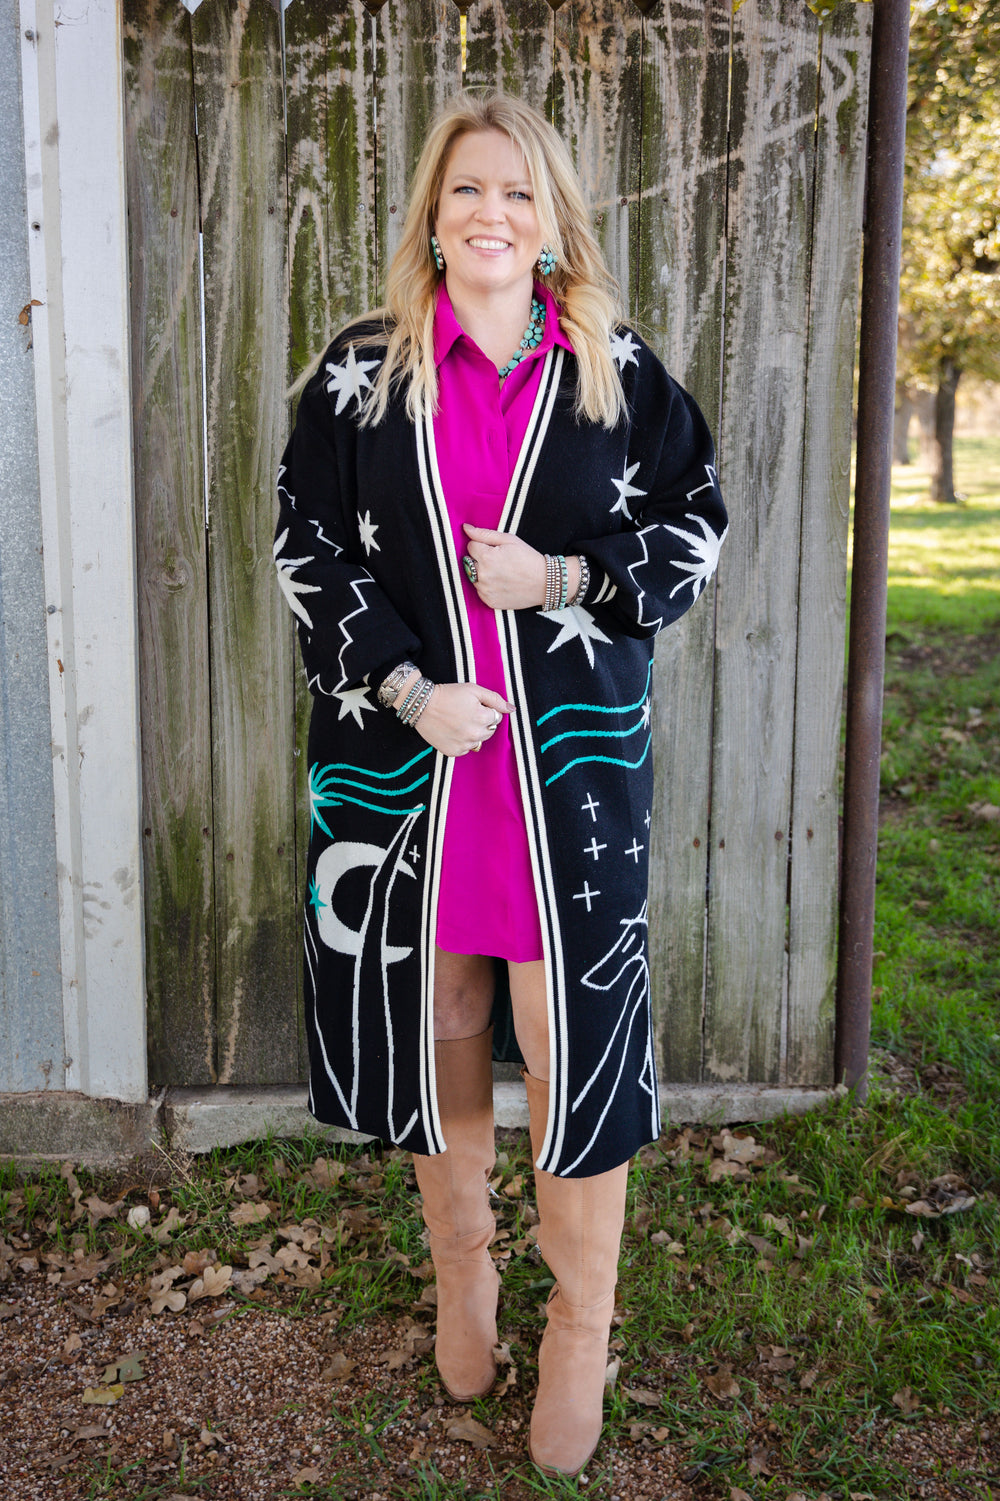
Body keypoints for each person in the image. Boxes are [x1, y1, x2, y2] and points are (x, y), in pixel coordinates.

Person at [274, 91, 727, 1478]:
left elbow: (696, 525)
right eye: (467, 189)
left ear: (550, 219)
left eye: (517, 193)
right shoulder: (361, 374)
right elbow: (309, 549)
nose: (490, 213)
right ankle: (462, 1268)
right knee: (441, 1002)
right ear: (432, 209)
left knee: (568, 1024)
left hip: (565, 779)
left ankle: (580, 1320)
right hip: (413, 769)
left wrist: (565, 579)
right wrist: (411, 691)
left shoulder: (615, 368)